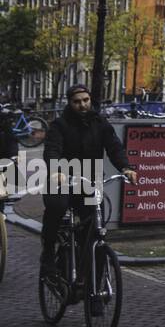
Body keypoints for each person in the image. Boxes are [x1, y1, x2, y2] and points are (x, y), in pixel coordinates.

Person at [41, 85, 138, 277]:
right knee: (57, 207)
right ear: (70, 103)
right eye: (77, 102)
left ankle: (95, 291)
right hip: (62, 180)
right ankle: (48, 254)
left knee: (96, 229)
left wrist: (126, 168)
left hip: (89, 182)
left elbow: (114, 148)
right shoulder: (60, 125)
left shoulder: (100, 123)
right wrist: (56, 170)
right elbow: (52, 149)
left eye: (85, 100)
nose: (82, 105)